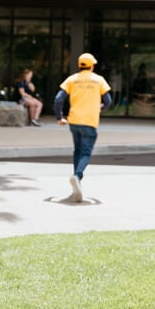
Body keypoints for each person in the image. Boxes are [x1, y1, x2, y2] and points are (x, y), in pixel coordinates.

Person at [54, 52, 113, 203]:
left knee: (78, 150)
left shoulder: (72, 79)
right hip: (90, 121)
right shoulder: (99, 80)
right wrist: (100, 107)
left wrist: (59, 117)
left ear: (80, 65)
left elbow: (58, 99)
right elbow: (108, 101)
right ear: (92, 66)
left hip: (74, 121)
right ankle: (78, 176)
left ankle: (77, 182)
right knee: (86, 153)